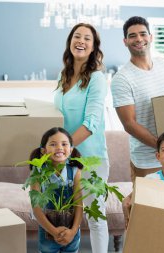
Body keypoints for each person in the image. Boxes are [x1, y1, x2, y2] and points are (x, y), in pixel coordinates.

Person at [111, 16, 164, 182]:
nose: (139, 39)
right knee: (147, 206)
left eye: (143, 34)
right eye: (132, 36)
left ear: (151, 37)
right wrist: (163, 147)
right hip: (146, 160)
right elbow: (129, 124)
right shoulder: (122, 78)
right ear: (125, 41)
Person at [54, 23, 109, 253]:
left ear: (94, 46)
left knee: (95, 218)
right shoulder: (62, 75)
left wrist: (63, 149)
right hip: (63, 161)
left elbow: (91, 123)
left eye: (88, 38)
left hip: (91, 161)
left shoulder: (97, 79)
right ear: (70, 41)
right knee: (64, 216)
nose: (81, 41)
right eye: (77, 36)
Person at [30, 127, 83, 253]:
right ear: (43, 151)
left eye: (64, 144)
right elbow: (36, 207)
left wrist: (73, 231)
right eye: (53, 144)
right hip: (48, 231)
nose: (59, 148)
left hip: (72, 232)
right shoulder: (37, 172)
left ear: (71, 150)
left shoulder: (75, 171)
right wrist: (53, 231)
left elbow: (79, 203)